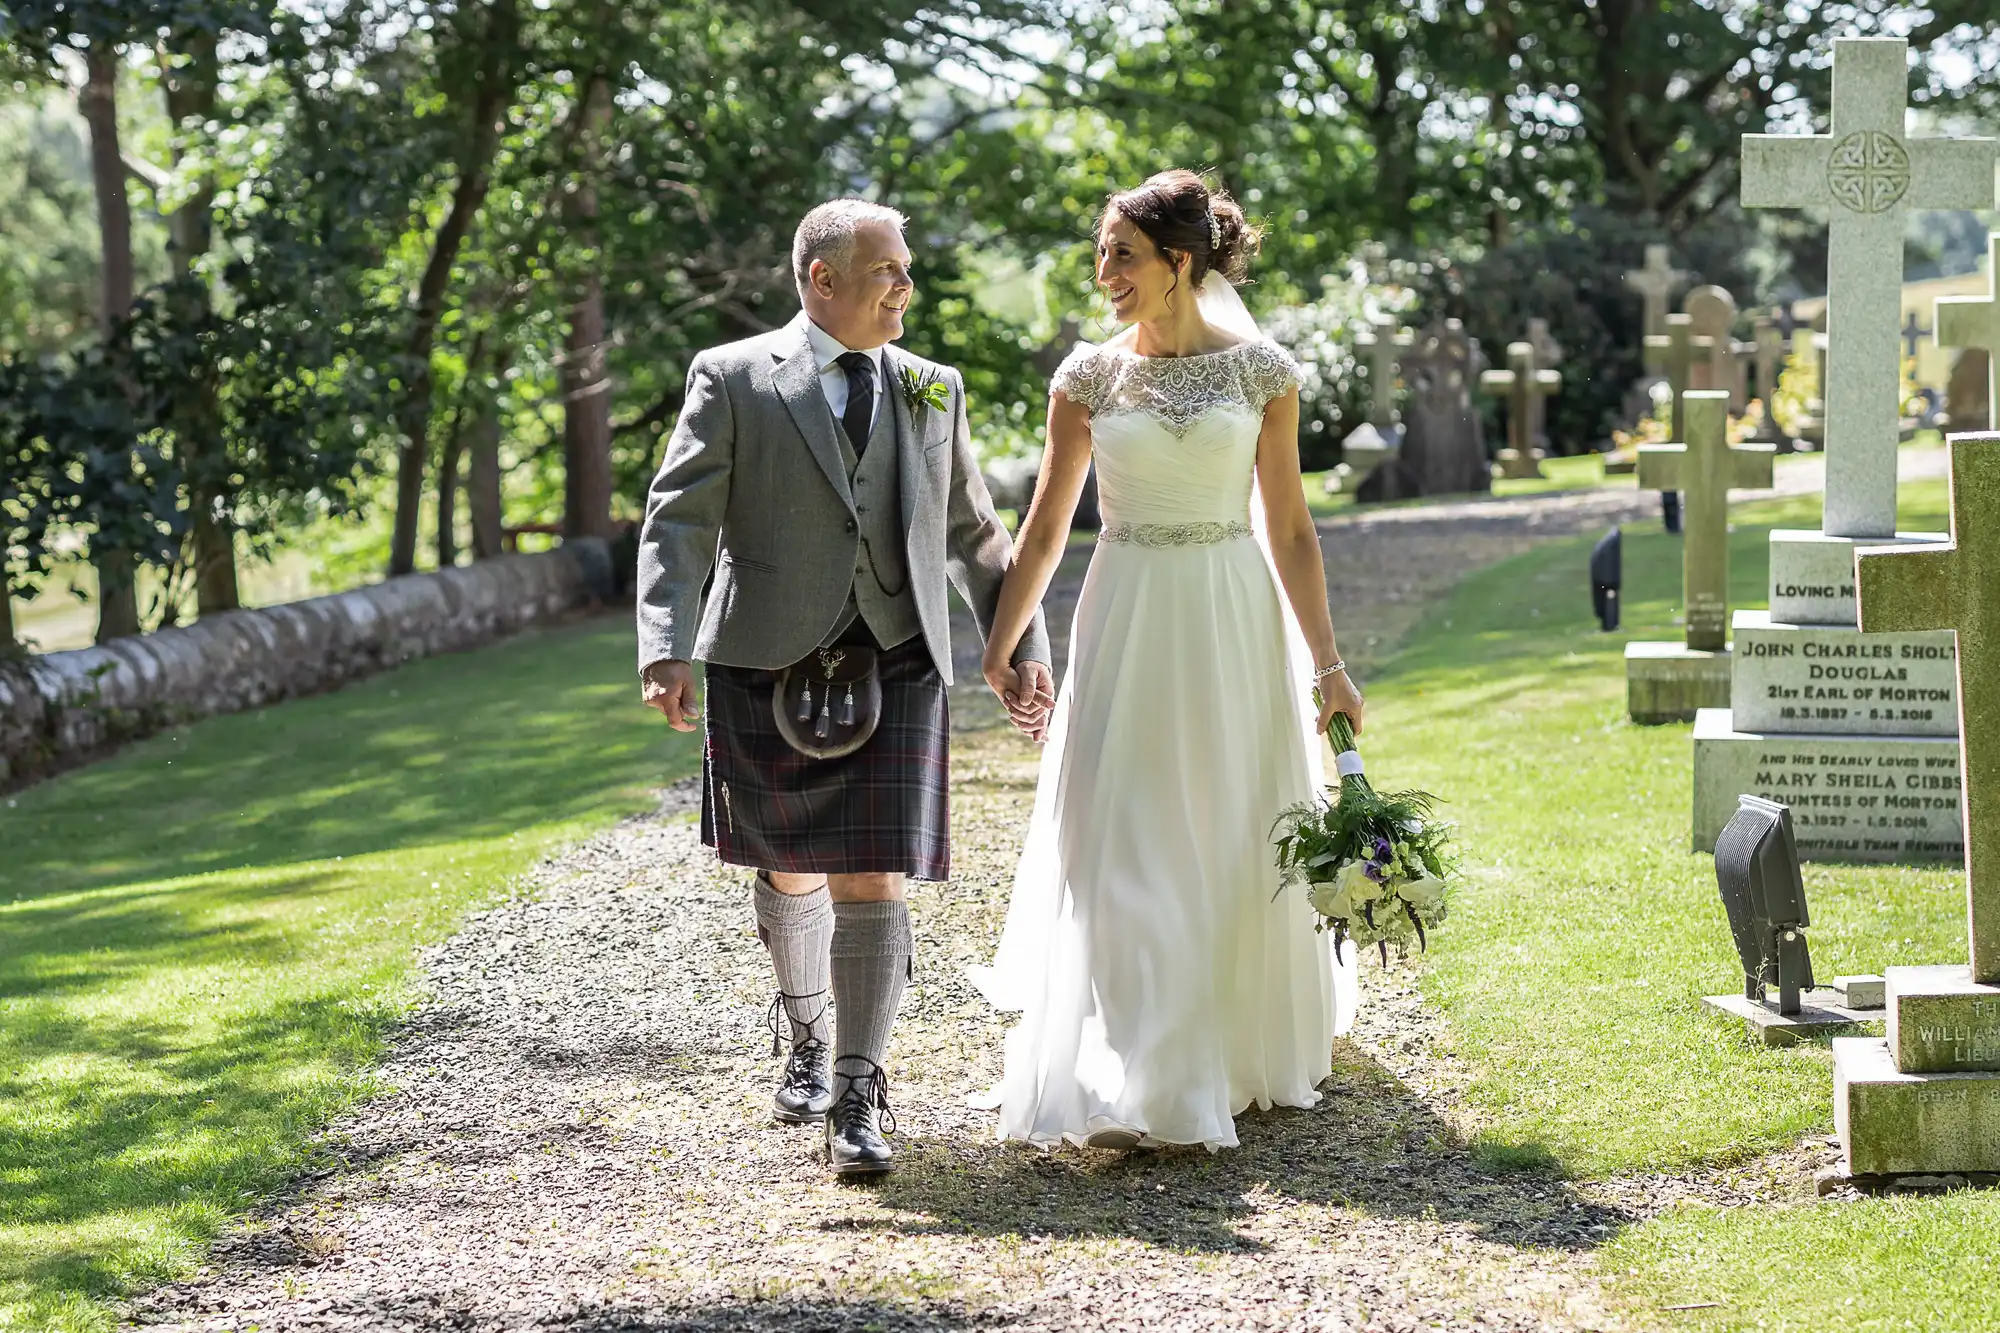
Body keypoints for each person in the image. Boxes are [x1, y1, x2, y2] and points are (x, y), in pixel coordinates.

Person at [636, 199, 1053, 1178]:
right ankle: (808, 1035)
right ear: (822, 279)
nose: (906, 287)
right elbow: (677, 520)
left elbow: (975, 534)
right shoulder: (732, 376)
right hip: (765, 653)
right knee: (787, 863)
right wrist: (664, 643)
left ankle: (858, 1090)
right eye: (888, 272)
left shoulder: (929, 387)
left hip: (897, 651)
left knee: (874, 870)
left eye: (905, 270)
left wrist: (1018, 637)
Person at [969, 170, 1364, 1151]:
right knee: (1119, 829)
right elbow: (1047, 525)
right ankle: (1145, 1063)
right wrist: (1003, 641)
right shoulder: (1086, 378)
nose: (1104, 272)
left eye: (1122, 254)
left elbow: (1292, 531)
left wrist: (1327, 667)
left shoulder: (1262, 373)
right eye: (1104, 253)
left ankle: (1221, 1045)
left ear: (1177, 262)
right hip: (1128, 609)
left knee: (1234, 820)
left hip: (1232, 610)